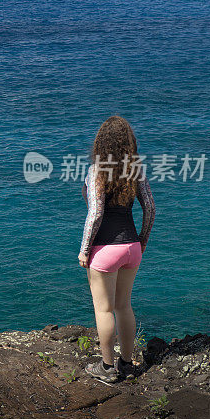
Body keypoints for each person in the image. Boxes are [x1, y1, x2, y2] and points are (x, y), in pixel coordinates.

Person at [78, 116, 155, 382]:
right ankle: (127, 363)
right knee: (124, 306)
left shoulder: (96, 170)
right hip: (132, 247)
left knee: (103, 309)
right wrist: (142, 240)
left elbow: (96, 213)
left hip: (105, 249)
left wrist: (84, 249)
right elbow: (150, 208)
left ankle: (107, 368)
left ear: (101, 142)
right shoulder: (136, 170)